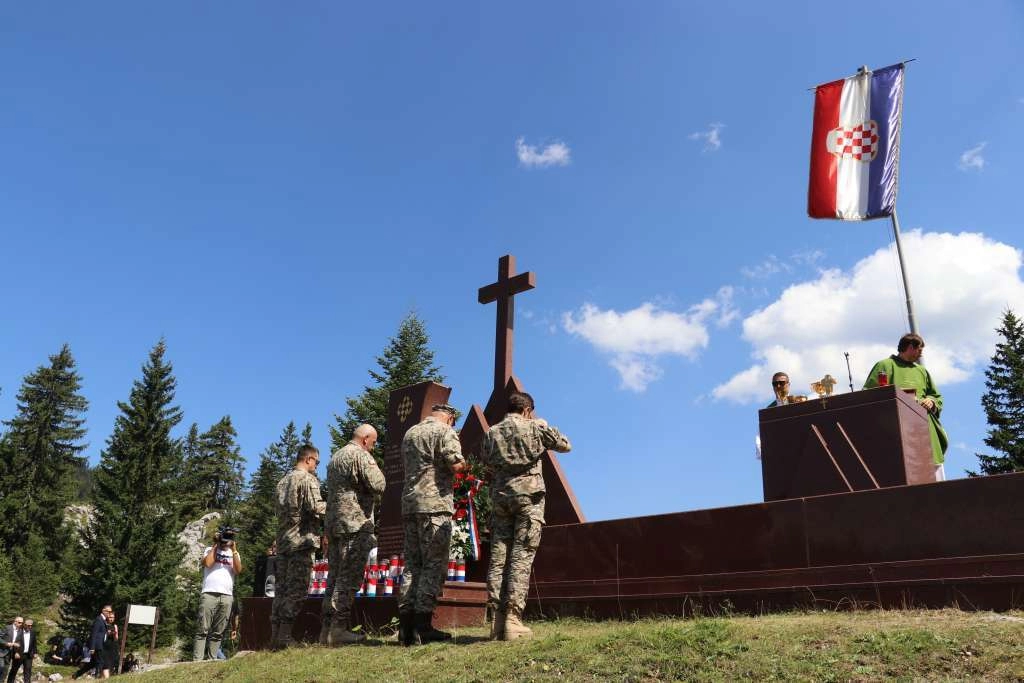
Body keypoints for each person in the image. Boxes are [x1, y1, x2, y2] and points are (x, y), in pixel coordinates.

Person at [481, 392, 572, 641]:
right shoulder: (534, 426)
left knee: (498, 558)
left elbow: (487, 461)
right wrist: (543, 425)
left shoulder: (492, 432)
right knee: (521, 557)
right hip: (528, 499)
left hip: (500, 499)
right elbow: (565, 444)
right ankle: (512, 620)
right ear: (527, 409)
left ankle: (497, 622)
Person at [398, 404, 466, 646]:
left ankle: (405, 628)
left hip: (410, 506)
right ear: (450, 417)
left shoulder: (411, 432)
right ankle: (422, 626)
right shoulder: (445, 432)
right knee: (432, 565)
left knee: (412, 566)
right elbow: (456, 464)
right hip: (435, 505)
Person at [321, 424, 386, 646]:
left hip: (335, 524)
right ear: (366, 439)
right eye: (374, 442)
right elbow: (379, 484)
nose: (374, 447)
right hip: (355, 524)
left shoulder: (336, 457)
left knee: (334, 576)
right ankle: (338, 629)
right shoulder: (360, 455)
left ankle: (325, 630)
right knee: (348, 577)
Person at [864, 333, 949, 479]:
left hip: (924, 429)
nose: (920, 355)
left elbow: (936, 396)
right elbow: (869, 395)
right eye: (920, 351)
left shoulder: (921, 371)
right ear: (910, 347)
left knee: (934, 480)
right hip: (896, 429)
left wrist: (931, 401)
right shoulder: (885, 365)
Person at [271, 443, 326, 649]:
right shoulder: (307, 479)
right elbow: (316, 507)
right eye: (317, 462)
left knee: (281, 590)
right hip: (301, 543)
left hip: (284, 542)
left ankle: (275, 635)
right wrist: (336, 506)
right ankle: (285, 637)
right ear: (308, 459)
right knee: (297, 590)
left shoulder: (282, 481)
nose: (317, 466)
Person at [194, 526, 242, 660]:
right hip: (209, 592)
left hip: (227, 595)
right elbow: (208, 563)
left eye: (229, 538)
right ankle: (197, 661)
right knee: (203, 629)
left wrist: (234, 550)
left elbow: (238, 570)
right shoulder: (210, 550)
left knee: (218, 631)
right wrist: (216, 544)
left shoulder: (234, 554)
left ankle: (212, 658)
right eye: (225, 538)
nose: (226, 541)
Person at [72, 606, 112, 680]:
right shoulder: (98, 619)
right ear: (103, 610)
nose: (109, 614)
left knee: (92, 664)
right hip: (97, 645)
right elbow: (93, 634)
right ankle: (97, 678)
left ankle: (76, 674)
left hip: (100, 645)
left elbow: (101, 633)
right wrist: (92, 647)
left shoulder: (103, 620)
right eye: (108, 612)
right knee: (100, 662)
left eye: (110, 612)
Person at [1, 616, 24, 683]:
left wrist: (17, 652)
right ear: (15, 622)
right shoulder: (7, 628)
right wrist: (6, 643)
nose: (21, 624)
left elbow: (18, 642)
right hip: (1, 652)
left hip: (10, 654)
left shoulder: (20, 631)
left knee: (5, 672)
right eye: (19, 622)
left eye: (22, 623)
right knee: (1, 667)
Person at [100, 611, 118, 679]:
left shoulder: (115, 626)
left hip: (112, 647)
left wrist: (115, 633)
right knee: (105, 664)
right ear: (107, 617)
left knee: (110, 665)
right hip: (104, 647)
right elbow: (101, 636)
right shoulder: (104, 625)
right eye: (110, 617)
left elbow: (116, 639)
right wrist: (107, 633)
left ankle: (102, 679)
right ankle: (106, 679)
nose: (111, 619)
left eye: (113, 617)